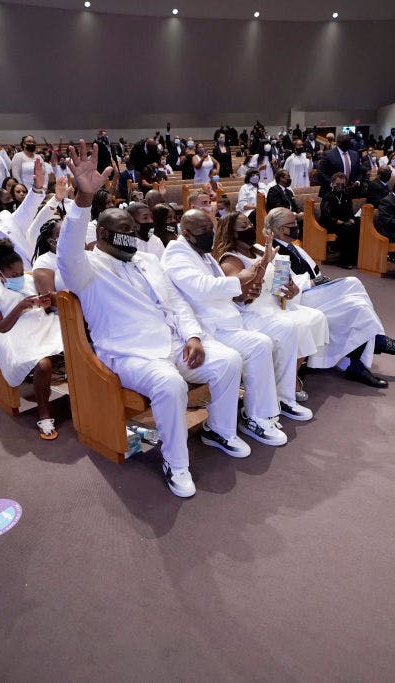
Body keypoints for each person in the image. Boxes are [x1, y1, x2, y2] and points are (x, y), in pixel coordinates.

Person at [57, 139, 249, 498]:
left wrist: (193, 336)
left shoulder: (146, 260)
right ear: (101, 235)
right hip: (129, 355)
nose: (132, 238)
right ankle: (176, 464)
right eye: (124, 233)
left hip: (175, 344)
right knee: (170, 386)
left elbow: (177, 302)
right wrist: (82, 200)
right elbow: (66, 252)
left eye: (133, 231)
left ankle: (220, 431)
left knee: (228, 360)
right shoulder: (87, 269)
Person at [163, 209, 309, 443]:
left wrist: (250, 279)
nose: (210, 235)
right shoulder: (176, 254)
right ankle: (249, 418)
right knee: (259, 344)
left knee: (271, 337)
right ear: (187, 233)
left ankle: (264, 412)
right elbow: (202, 287)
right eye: (203, 231)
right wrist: (241, 281)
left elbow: (224, 289)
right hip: (207, 327)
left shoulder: (200, 253)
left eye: (211, 229)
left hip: (228, 318)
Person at [266, 207, 395, 388]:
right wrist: (311, 283)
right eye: (294, 224)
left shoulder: (294, 247)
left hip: (316, 294)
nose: (298, 227)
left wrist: (321, 281)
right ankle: (379, 340)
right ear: (281, 229)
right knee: (352, 282)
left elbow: (315, 270)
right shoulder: (273, 251)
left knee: (358, 306)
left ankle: (356, 366)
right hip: (298, 300)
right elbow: (281, 288)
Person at [214, 211, 329, 400]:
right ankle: (284, 384)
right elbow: (243, 293)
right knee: (297, 325)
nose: (250, 229)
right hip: (253, 310)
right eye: (243, 227)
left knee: (315, 316)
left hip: (275, 303)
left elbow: (281, 278)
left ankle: (291, 372)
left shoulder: (259, 248)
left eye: (250, 225)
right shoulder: (230, 259)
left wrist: (290, 288)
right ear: (232, 233)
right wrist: (265, 262)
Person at [0, 237, 64, 440]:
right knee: (43, 365)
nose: (19, 276)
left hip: (43, 324)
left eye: (20, 272)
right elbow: (0, 327)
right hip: (16, 333)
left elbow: (44, 307)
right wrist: (20, 307)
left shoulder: (29, 280)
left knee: (80, 342)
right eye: (14, 274)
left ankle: (87, 401)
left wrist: (44, 303)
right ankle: (44, 414)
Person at [319, 173, 360, 268]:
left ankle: (354, 258)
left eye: (342, 185)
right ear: (333, 183)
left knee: (356, 228)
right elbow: (325, 215)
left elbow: (350, 212)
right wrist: (338, 222)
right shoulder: (327, 196)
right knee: (346, 231)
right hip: (330, 223)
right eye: (338, 184)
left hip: (343, 222)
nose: (340, 187)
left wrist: (351, 219)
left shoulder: (346, 196)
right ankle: (343, 261)